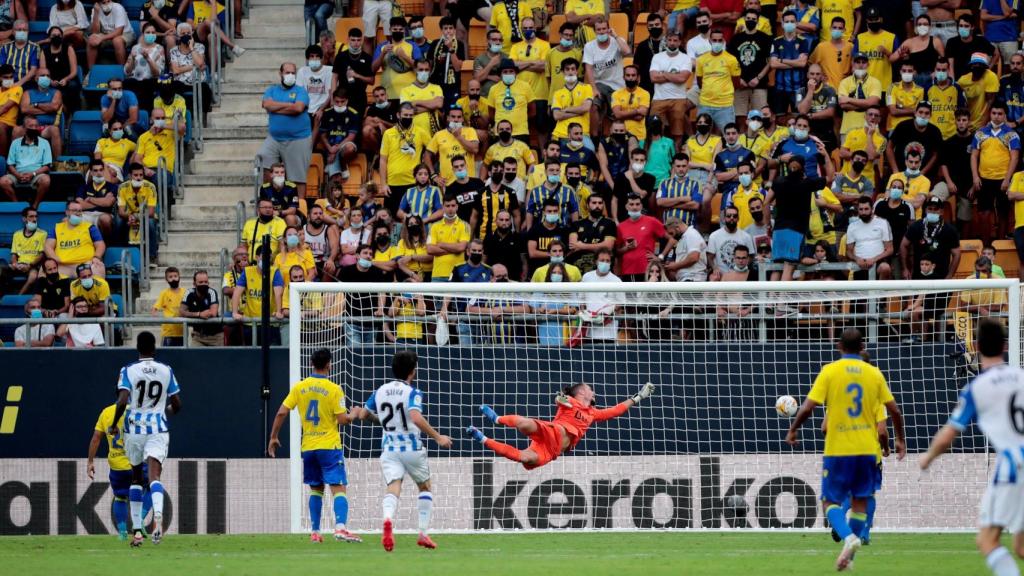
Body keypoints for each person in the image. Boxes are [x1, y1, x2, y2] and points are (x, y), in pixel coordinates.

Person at [785, 328, 906, 571]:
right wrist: (900, 439)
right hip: (866, 451)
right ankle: (853, 545)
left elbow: (808, 407)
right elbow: (894, 411)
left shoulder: (830, 371)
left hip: (839, 449)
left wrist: (793, 429)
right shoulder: (874, 374)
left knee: (829, 502)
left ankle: (849, 538)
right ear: (862, 347)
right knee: (861, 501)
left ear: (839, 346)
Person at [920, 319, 1024, 576]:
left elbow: (948, 436)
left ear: (975, 346)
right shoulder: (1022, 377)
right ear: (1005, 345)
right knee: (1021, 546)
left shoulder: (977, 387)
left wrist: (927, 458)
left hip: (1013, 466)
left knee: (987, 541)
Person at [352, 350, 452, 551]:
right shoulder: (413, 393)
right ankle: (423, 533)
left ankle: (388, 519)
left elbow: (363, 414)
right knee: (424, 487)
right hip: (412, 448)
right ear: (412, 371)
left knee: (394, 487)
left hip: (389, 449)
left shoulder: (380, 391)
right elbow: (415, 417)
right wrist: (438, 437)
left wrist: (374, 419)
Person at [267, 347, 361, 543]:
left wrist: (273, 437)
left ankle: (316, 532)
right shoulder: (335, 389)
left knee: (316, 489)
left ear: (311, 364)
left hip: (308, 447)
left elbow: (281, 413)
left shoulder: (299, 387)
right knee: (338, 487)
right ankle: (341, 528)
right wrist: (355, 413)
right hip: (329, 447)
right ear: (329, 365)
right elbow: (343, 420)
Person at [468, 381, 656, 469]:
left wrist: (638, 397)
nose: (594, 392)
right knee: (524, 424)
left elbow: (616, 410)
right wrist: (560, 398)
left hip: (551, 450)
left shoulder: (593, 414)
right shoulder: (570, 403)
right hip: (551, 432)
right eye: (590, 389)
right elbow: (559, 399)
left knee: (525, 458)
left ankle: (482, 438)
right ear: (581, 393)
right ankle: (497, 419)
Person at [109, 331, 182, 547]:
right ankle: (157, 518)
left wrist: (114, 424)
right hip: (158, 429)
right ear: (155, 347)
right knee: (154, 476)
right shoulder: (166, 370)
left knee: (135, 478)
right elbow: (177, 404)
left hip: (134, 430)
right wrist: (161, 411)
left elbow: (122, 401)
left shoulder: (128, 370)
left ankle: (138, 531)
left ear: (138, 348)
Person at [87, 397, 154, 541]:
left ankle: (122, 533)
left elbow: (96, 438)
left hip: (117, 464)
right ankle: (139, 520)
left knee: (120, 497)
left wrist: (90, 461)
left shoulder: (106, 412)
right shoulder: (138, 411)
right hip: (135, 462)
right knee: (151, 488)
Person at [765, 155, 828, 282]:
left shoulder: (778, 181)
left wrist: (768, 225)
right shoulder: (807, 183)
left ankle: (770, 301)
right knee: (789, 266)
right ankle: (782, 303)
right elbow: (830, 177)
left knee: (777, 267)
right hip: (795, 231)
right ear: (803, 168)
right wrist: (826, 156)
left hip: (778, 230)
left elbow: (766, 202)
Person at [260, 63, 313, 201]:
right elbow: (266, 105)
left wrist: (276, 108)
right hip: (275, 138)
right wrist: (289, 105)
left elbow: (298, 108)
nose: (290, 75)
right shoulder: (271, 90)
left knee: (298, 177)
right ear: (280, 73)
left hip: (298, 138)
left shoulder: (301, 91)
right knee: (265, 163)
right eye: (287, 72)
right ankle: (268, 202)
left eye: (293, 73)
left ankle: (300, 210)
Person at [972, 101, 1021, 245]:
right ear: (990, 114)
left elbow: (1015, 157)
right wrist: (975, 176)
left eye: (1000, 114)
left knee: (1003, 213)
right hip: (984, 179)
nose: (996, 117)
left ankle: (1000, 244)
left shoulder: (1011, 135)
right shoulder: (980, 133)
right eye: (994, 113)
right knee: (984, 214)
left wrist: (1007, 179)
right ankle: (986, 246)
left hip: (1002, 180)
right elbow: (974, 156)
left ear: (1005, 115)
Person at [379, 103, 429, 215]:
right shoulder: (388, 133)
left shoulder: (420, 132)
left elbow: (432, 151)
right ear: (398, 115)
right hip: (392, 184)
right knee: (391, 219)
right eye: (405, 115)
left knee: (413, 219)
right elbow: (383, 160)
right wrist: (383, 184)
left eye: (410, 115)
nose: (408, 118)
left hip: (413, 183)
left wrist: (426, 164)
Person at [231, 244, 285, 344]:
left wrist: (278, 311)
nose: (266, 259)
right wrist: (234, 312)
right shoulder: (247, 272)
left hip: (271, 323)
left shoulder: (275, 272)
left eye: (268, 257)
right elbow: (237, 292)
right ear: (257, 257)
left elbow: (278, 293)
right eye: (263, 256)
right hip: (251, 323)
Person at [900, 195, 961, 279]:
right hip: (918, 276)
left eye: (936, 209)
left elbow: (957, 254)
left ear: (942, 211)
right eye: (930, 209)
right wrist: (905, 268)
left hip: (941, 278)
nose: (932, 212)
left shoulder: (950, 230)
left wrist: (950, 275)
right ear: (925, 210)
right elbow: (903, 245)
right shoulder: (916, 226)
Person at [0, 115, 52, 208]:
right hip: (17, 174)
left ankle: (35, 206)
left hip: (36, 174)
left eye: (36, 126)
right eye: (31, 126)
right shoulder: (15, 143)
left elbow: (47, 165)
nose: (34, 128)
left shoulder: (44, 143)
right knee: (3, 181)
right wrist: (17, 175)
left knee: (46, 180)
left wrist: (33, 174)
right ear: (24, 129)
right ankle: (16, 205)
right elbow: (10, 164)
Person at [770, 11, 812, 123]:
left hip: (799, 88)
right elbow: (773, 64)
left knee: (799, 119)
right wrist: (795, 62)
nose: (789, 23)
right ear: (782, 24)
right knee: (779, 120)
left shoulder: (803, 41)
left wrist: (782, 60)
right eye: (787, 21)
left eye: (792, 21)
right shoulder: (776, 41)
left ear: (796, 23)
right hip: (780, 88)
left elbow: (802, 63)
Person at [695, 28, 741, 132]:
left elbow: (736, 83)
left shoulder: (731, 59)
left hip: (725, 106)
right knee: (701, 136)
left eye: (720, 40)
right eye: (714, 40)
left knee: (730, 136)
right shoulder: (701, 59)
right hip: (705, 104)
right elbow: (699, 82)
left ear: (723, 41)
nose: (717, 43)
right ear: (709, 41)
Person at [45, 200, 106, 278]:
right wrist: (55, 259)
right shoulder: (57, 228)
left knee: (98, 267)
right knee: (43, 271)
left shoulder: (90, 227)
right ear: (67, 212)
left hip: (86, 264)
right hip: (63, 266)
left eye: (80, 211)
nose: (77, 213)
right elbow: (48, 246)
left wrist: (97, 257)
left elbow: (100, 244)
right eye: (74, 210)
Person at [617, 193, 667, 282]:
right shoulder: (620, 226)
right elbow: (616, 252)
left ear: (641, 206)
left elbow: (671, 239)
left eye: (637, 204)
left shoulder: (652, 221)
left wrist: (660, 257)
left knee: (648, 296)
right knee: (631, 296)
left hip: (649, 270)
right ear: (626, 206)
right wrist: (627, 248)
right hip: (628, 270)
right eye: (631, 204)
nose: (635, 207)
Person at [837, 52, 882, 143]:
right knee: (847, 156)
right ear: (852, 64)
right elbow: (843, 105)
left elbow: (873, 103)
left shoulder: (875, 82)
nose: (861, 65)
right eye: (857, 62)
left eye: (863, 62)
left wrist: (849, 99)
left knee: (870, 156)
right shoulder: (844, 82)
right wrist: (867, 104)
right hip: (848, 129)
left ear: (868, 64)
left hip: (870, 129)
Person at [846, 196, 894, 279]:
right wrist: (857, 259)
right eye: (861, 209)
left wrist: (874, 259)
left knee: (885, 268)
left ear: (872, 209)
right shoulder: (852, 226)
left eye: (866, 209)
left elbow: (890, 249)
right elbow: (849, 252)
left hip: (878, 262)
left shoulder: (883, 223)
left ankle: (879, 291)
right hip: (860, 264)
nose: (863, 212)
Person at [568, 194, 616, 274]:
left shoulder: (610, 223)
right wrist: (598, 246)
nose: (597, 206)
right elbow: (573, 246)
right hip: (578, 269)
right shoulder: (577, 224)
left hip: (601, 269)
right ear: (587, 205)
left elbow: (608, 247)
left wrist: (582, 246)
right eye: (594, 203)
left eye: (600, 203)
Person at [707, 205, 754, 279]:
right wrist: (714, 268)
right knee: (713, 278)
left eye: (734, 216)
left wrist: (743, 268)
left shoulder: (746, 237)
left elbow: (751, 256)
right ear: (724, 218)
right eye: (729, 216)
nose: (732, 218)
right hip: (721, 276)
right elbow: (710, 257)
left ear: (738, 218)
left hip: (740, 275)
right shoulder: (714, 236)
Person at [6, 206, 45, 293]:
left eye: (36, 216)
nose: (34, 219)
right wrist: (15, 264)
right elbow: (14, 254)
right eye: (31, 216)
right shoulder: (17, 234)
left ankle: (18, 296)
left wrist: (29, 265)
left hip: (33, 266)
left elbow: (41, 255)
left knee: (33, 277)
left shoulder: (42, 234)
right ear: (24, 219)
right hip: (19, 265)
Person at [808, 16, 853, 90]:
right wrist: (820, 76)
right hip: (826, 89)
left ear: (844, 30)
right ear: (830, 28)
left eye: (840, 28)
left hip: (846, 89)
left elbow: (855, 66)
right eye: (834, 27)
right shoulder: (821, 47)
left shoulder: (850, 47)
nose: (837, 30)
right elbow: (811, 64)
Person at [959, 53, 1000, 132]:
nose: (978, 67)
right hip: (966, 121)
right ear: (971, 66)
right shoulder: (963, 80)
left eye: (981, 65)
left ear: (985, 67)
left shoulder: (990, 76)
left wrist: (983, 125)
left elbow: (990, 102)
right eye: (975, 65)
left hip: (983, 123)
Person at [86, 0, 134, 69]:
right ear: (98, 3)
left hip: (125, 33)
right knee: (92, 39)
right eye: (103, 2)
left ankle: (122, 71)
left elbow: (119, 32)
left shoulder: (118, 8)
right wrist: (96, 13)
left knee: (117, 41)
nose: (107, 4)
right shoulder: (95, 9)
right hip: (105, 34)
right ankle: (90, 71)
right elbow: (95, 32)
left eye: (108, 1)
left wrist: (101, 38)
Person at [179, 269, 220, 346]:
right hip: (198, 336)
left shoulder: (212, 292)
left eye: (206, 282)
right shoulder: (189, 293)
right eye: (200, 282)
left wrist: (189, 313)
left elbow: (213, 313)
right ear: (194, 284)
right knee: (193, 357)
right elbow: (181, 312)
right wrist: (199, 314)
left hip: (216, 336)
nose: (203, 284)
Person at [483, 209, 526, 280]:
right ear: (496, 221)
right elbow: (484, 261)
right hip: (493, 281)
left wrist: (523, 280)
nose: (504, 222)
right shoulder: (489, 238)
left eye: (507, 220)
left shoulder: (518, 238)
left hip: (513, 280)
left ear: (510, 222)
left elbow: (524, 262)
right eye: (501, 220)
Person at [152, 266, 184, 346]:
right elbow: (156, 306)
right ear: (166, 279)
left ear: (179, 277)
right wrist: (154, 312)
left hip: (182, 331)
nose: (173, 279)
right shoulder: (164, 293)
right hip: (168, 332)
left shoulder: (185, 292)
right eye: (170, 277)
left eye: (175, 276)